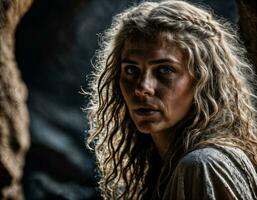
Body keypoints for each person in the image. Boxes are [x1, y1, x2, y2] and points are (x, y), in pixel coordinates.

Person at [86, 0, 257, 199]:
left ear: (202, 81)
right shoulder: (163, 168)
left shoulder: (202, 165)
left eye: (165, 70)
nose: (142, 88)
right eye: (131, 70)